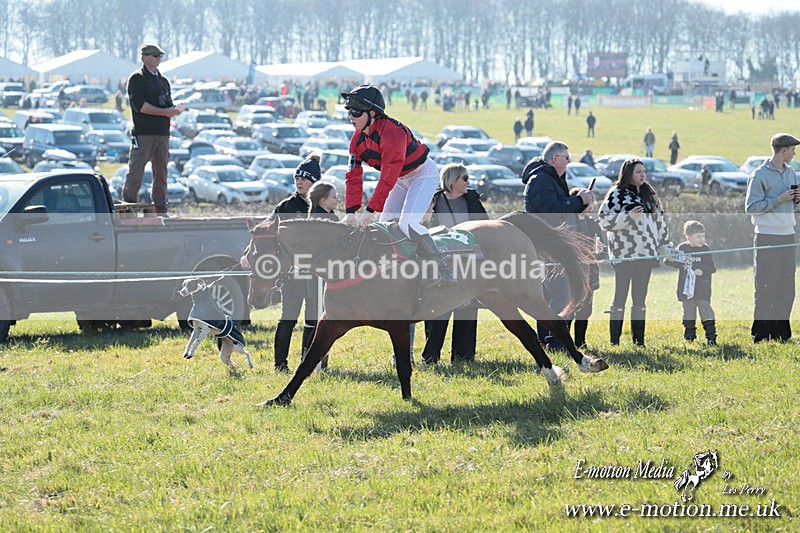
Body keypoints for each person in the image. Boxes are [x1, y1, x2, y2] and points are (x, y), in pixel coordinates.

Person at [340, 84, 450, 285]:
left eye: (356, 111)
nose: (351, 116)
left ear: (372, 113)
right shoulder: (356, 140)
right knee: (384, 226)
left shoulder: (392, 133)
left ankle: (441, 266)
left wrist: (370, 210)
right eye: (349, 111)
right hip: (400, 178)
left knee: (407, 224)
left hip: (422, 175)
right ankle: (397, 270)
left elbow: (388, 177)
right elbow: (353, 176)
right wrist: (350, 210)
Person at [522, 141, 594, 350]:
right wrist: (578, 201)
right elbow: (551, 210)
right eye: (566, 157)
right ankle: (554, 340)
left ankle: (546, 339)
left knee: (551, 294)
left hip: (551, 246)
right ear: (554, 159)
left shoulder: (552, 178)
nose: (569, 161)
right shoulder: (542, 179)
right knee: (559, 292)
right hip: (547, 247)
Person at [598, 158, 670, 347]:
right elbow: (604, 221)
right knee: (620, 296)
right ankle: (615, 341)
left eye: (643, 171)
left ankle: (639, 341)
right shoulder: (616, 194)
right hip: (624, 254)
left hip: (646, 253)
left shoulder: (650, 194)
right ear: (628, 173)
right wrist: (627, 217)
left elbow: (660, 221)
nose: (642, 175)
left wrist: (664, 243)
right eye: (638, 172)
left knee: (640, 298)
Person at [420, 164, 488, 364]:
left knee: (467, 306)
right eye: (464, 178)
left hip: (468, 262)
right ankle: (430, 357)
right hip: (439, 262)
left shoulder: (472, 200)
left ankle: (463, 357)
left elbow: (484, 226)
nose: (468, 182)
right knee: (437, 310)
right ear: (452, 181)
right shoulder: (434, 201)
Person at [744, 133, 800, 343]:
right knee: (766, 285)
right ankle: (761, 334)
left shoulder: (792, 173)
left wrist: (796, 201)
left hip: (788, 235)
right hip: (767, 237)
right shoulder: (759, 175)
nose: (794, 153)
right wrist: (777, 199)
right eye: (793, 150)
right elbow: (751, 208)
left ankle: (781, 334)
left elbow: (794, 207)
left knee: (787, 287)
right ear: (783, 150)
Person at [270, 155, 320, 371]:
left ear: (315, 182)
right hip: (291, 273)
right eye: (297, 178)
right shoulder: (285, 206)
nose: (300, 182)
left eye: (305, 179)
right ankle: (280, 364)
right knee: (288, 318)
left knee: (313, 319)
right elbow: (268, 233)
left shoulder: (321, 206)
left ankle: (307, 363)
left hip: (316, 274)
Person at [122, 44, 185, 214]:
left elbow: (166, 104)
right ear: (144, 57)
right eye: (154, 55)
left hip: (162, 133)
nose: (157, 59)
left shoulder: (163, 81)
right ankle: (128, 208)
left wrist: (174, 110)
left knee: (161, 172)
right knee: (136, 171)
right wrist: (165, 112)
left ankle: (160, 208)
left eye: (159, 56)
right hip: (144, 133)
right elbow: (140, 106)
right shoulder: (137, 78)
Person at [305, 180, 340, 369]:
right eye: (333, 197)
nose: (337, 200)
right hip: (317, 277)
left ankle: (320, 359)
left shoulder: (332, 218)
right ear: (322, 200)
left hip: (330, 277)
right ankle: (309, 358)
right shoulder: (316, 221)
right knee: (314, 319)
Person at [665, 221, 717, 345]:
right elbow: (674, 263)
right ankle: (689, 337)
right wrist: (669, 259)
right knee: (688, 311)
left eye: (703, 236)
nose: (701, 239)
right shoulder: (682, 248)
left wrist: (702, 270)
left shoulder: (706, 249)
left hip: (702, 288)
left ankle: (711, 337)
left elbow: (712, 267)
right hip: (686, 288)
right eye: (698, 236)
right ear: (688, 237)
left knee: (705, 310)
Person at [569, 188, 603, 348]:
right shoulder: (569, 223)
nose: (590, 206)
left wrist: (600, 250)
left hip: (590, 271)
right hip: (572, 272)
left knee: (585, 308)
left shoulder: (593, 224)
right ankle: (565, 340)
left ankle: (580, 342)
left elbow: (599, 247)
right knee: (569, 306)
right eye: (587, 203)